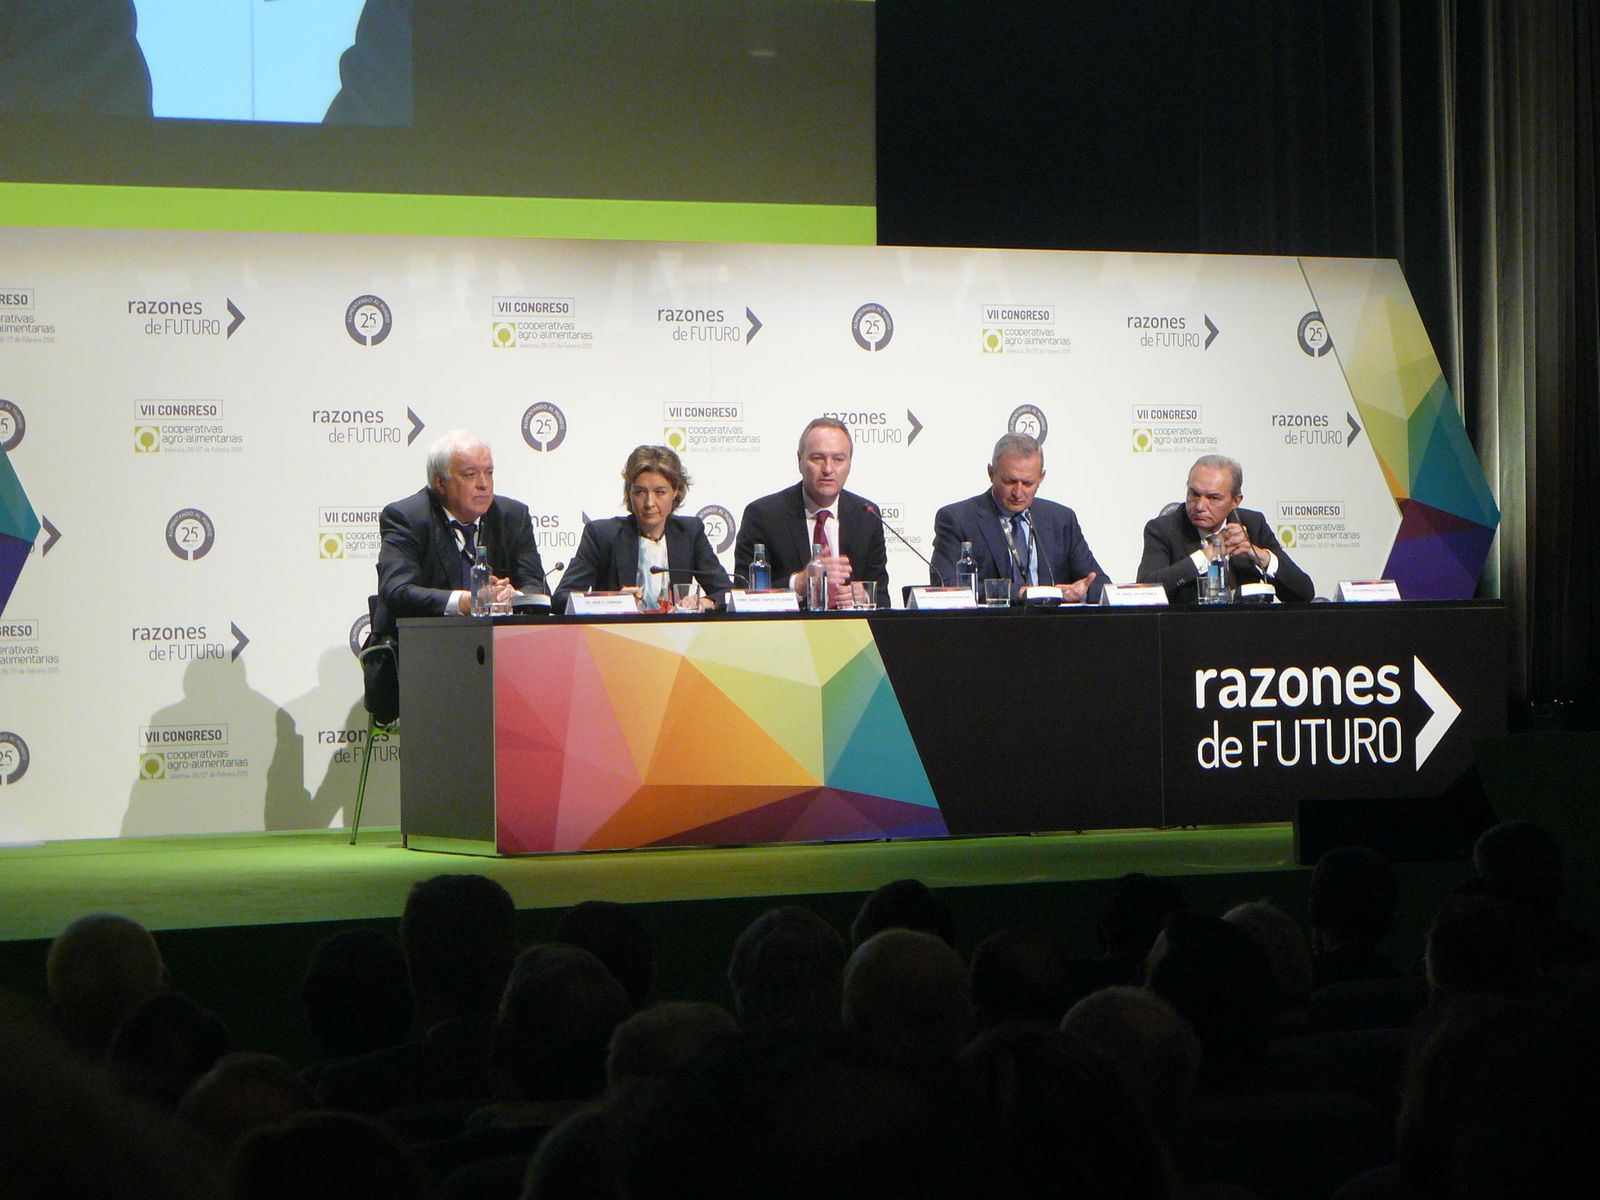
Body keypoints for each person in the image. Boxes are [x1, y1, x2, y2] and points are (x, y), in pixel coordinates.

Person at [374, 430, 547, 638]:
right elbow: (397, 591)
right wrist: (466, 601)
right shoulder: (407, 517)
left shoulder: (512, 516)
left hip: (496, 647)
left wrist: (513, 596)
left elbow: (537, 586)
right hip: (418, 647)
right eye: (470, 475)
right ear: (440, 483)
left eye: (489, 472)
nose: (483, 484)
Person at [929, 432, 1106, 603]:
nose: (1018, 492)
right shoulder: (957, 519)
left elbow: (1099, 583)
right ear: (991, 473)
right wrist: (1020, 593)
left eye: (1028, 483)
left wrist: (1082, 591)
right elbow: (946, 585)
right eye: (1009, 481)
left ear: (1041, 477)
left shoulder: (1061, 519)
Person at [554, 444, 731, 613]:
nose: (649, 503)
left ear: (676, 491)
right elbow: (562, 599)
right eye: (639, 492)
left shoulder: (690, 532)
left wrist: (704, 602)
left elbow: (727, 593)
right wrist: (615, 601)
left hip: (677, 640)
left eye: (659, 492)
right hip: (616, 639)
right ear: (629, 492)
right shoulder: (601, 534)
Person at [734, 417, 889, 607]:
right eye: (818, 458)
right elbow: (743, 594)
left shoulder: (867, 515)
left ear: (850, 463)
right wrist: (799, 583)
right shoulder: (763, 515)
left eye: (838, 459)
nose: (828, 469)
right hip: (788, 632)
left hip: (853, 633)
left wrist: (864, 597)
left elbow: (882, 596)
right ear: (800, 461)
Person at [1137, 453, 1314, 602]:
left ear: (1235, 501)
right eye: (1194, 494)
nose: (1199, 506)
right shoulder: (1163, 529)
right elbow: (1145, 591)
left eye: (1213, 498)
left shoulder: (1253, 524)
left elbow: (1304, 593)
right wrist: (1207, 556)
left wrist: (1261, 556)